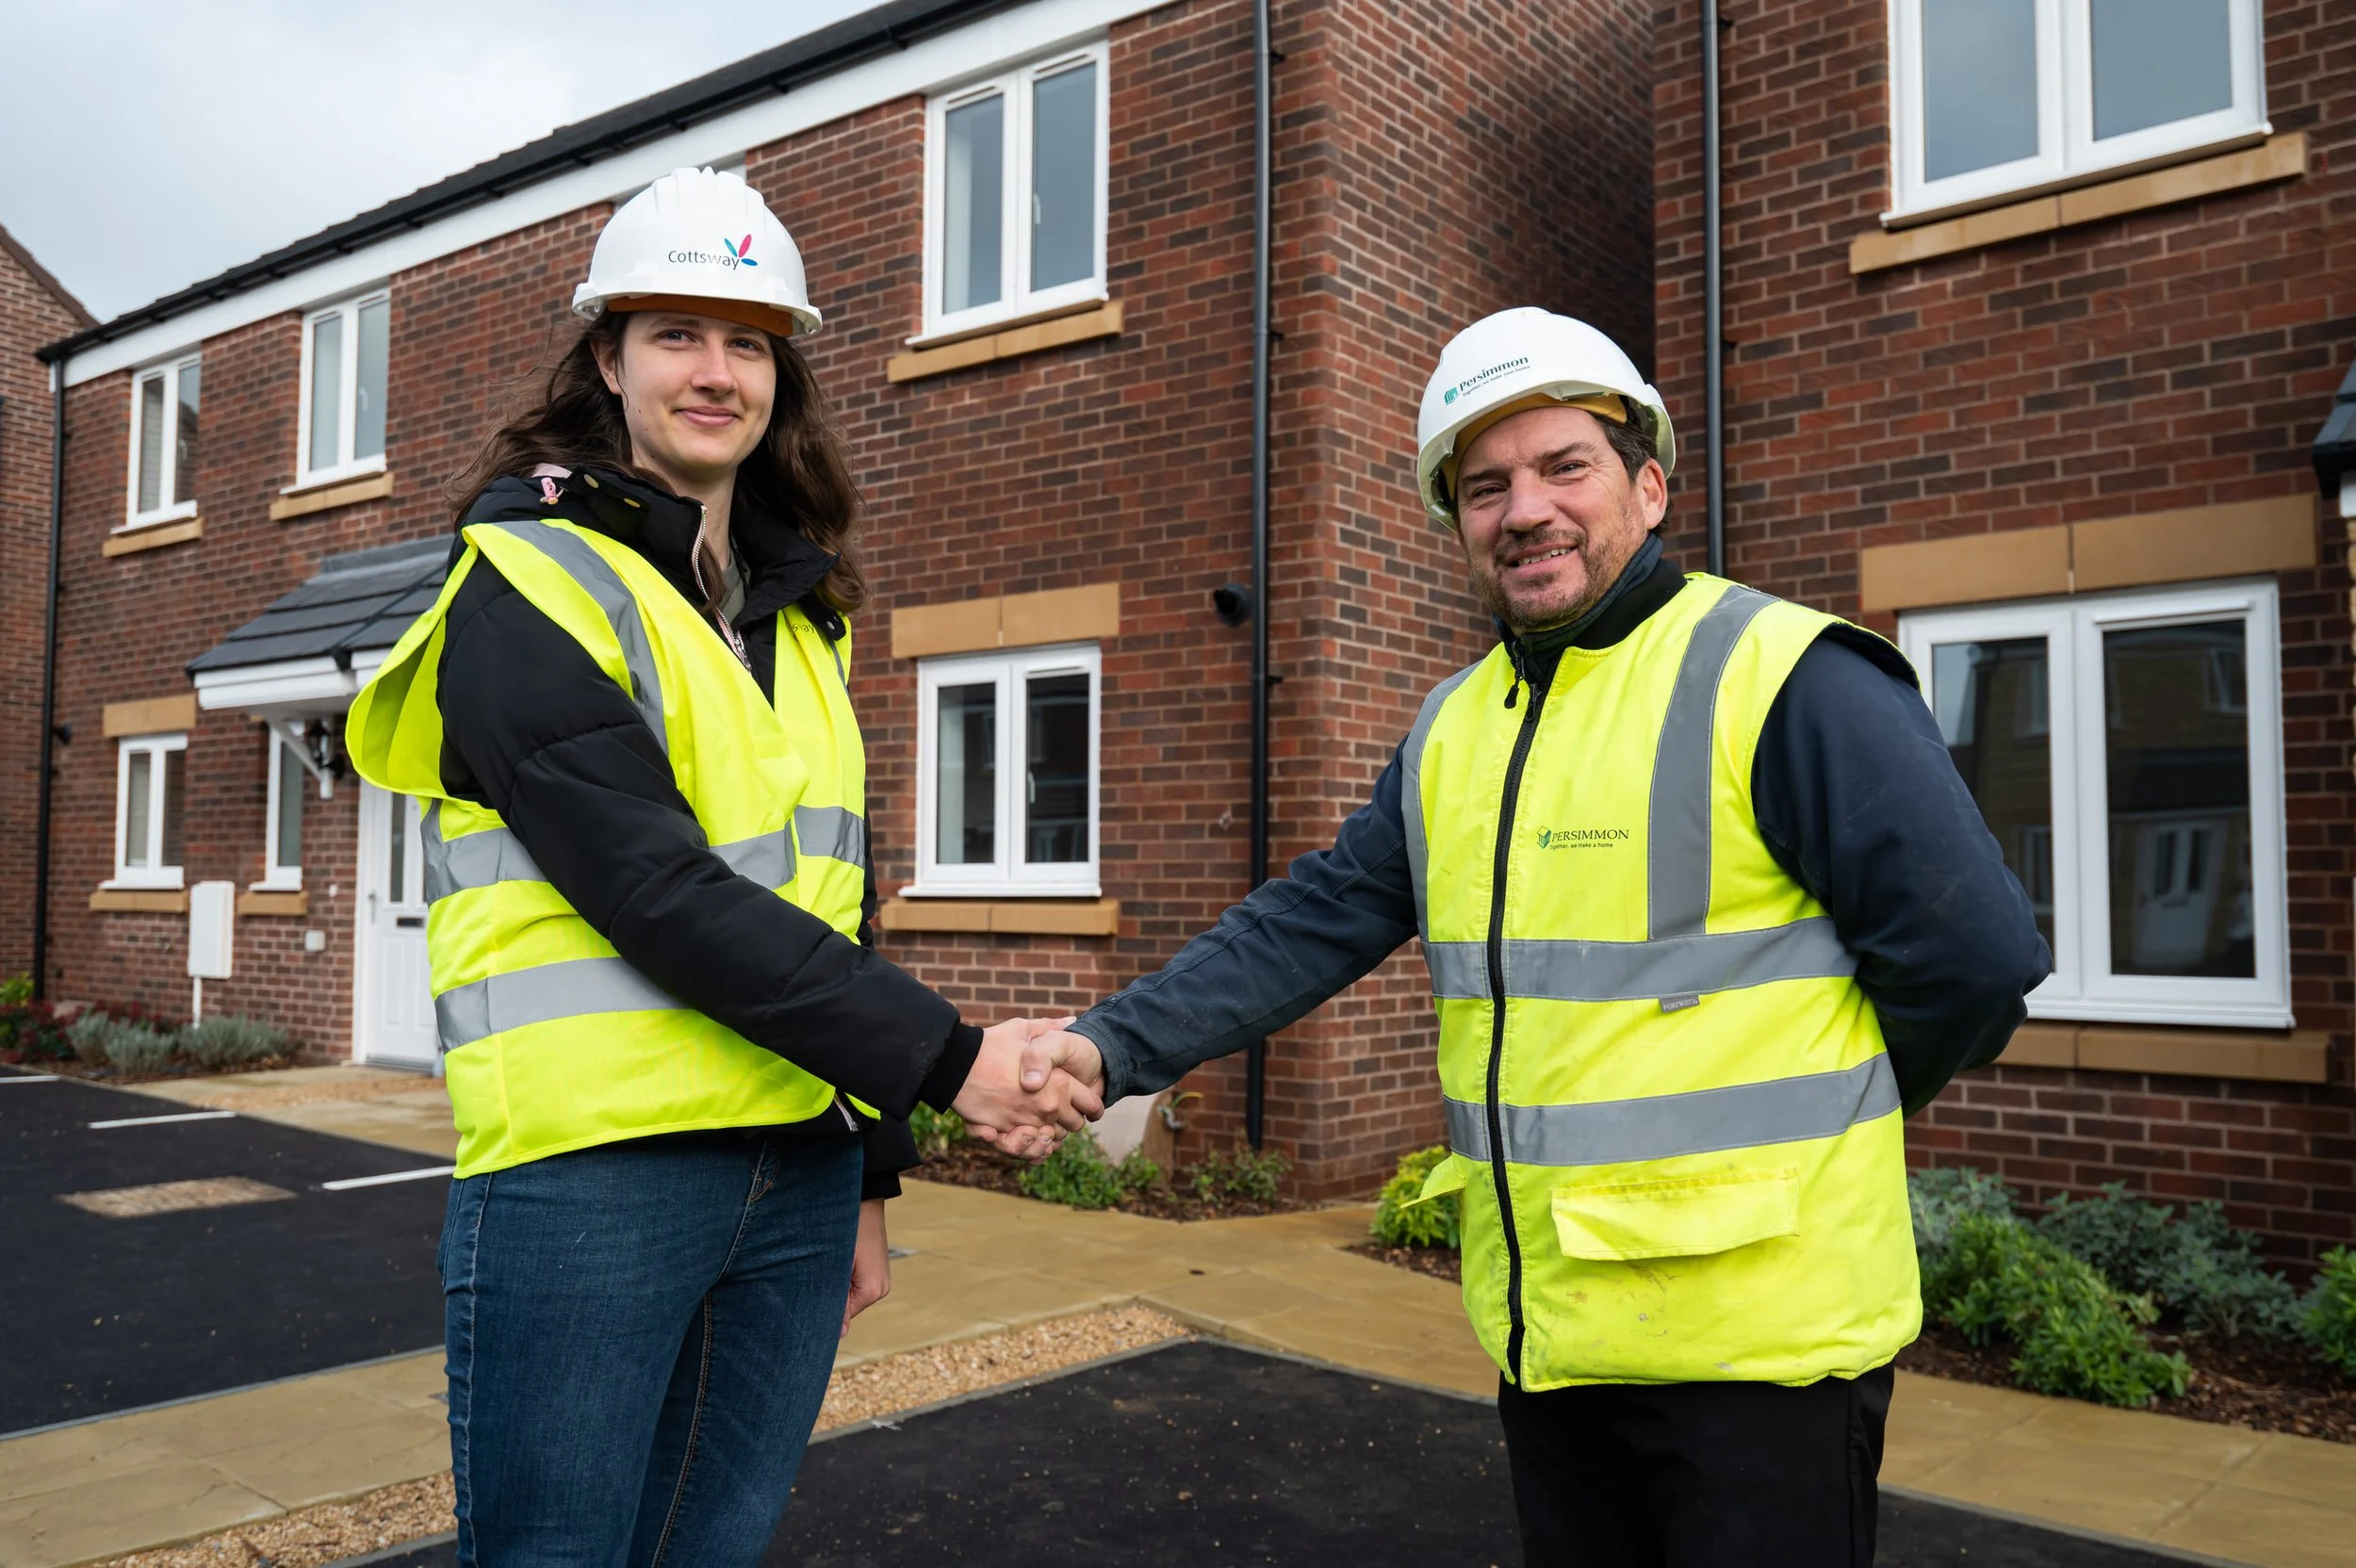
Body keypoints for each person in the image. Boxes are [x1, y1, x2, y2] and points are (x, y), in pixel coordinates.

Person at [1024, 307, 2052, 1566]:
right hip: (1554, 1338)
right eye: (1488, 485)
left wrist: (1848, 1102)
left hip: (1760, 1356)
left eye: (1565, 466)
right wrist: (1110, 1045)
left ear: (1650, 485)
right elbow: (1317, 916)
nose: (1527, 510)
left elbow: (1975, 959)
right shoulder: (1458, 725)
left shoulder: (1788, 677)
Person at [347, 167, 1097, 1568]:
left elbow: (833, 908)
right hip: (594, 1184)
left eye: (748, 340)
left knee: (713, 1548)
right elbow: (657, 892)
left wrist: (867, 1172)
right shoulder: (529, 580)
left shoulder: (802, 626)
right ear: (606, 361)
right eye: (677, 334)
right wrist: (952, 1063)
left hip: (796, 1182)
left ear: (781, 377)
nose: (715, 370)